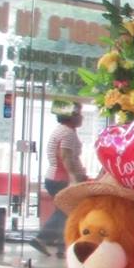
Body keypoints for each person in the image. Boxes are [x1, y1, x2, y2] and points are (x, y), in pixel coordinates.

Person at [30, 100, 88, 257]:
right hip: (60, 179)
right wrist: (74, 179)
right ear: (71, 116)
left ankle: (61, 246)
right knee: (66, 211)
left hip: (56, 177)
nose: (81, 117)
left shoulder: (63, 130)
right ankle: (44, 239)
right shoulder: (67, 133)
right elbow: (66, 157)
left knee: (65, 211)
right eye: (78, 114)